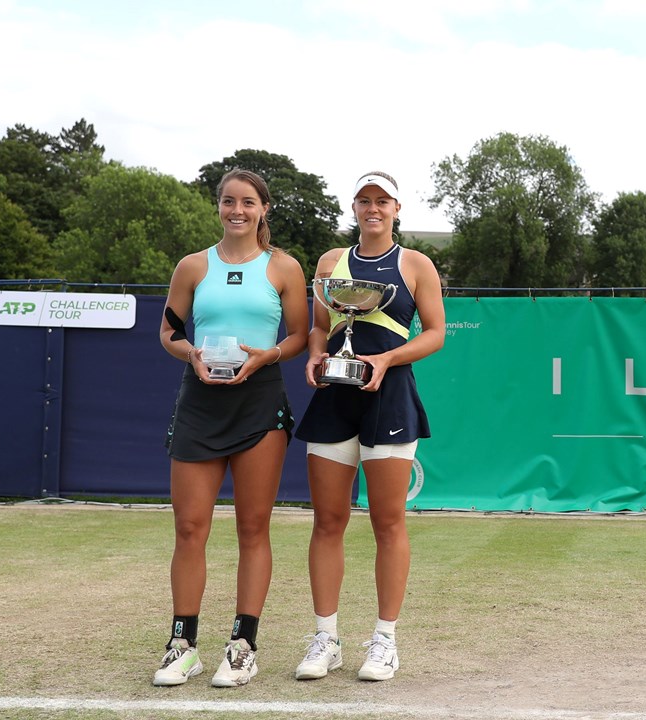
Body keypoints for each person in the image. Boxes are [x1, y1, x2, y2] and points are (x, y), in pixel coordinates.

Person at [153, 169, 309, 688]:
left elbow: (300, 335)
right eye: (227, 201)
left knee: (251, 528)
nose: (236, 210)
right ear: (217, 206)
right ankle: (182, 644)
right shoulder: (192, 266)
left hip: (260, 404)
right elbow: (170, 331)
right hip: (199, 400)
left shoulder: (284, 268)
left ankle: (242, 646)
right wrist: (189, 353)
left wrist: (269, 356)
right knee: (190, 527)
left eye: (247, 202)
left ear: (264, 208)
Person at [293, 171, 445, 682]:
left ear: (397, 208)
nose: (372, 208)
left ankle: (384, 641)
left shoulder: (416, 264)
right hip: (335, 396)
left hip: (391, 397)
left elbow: (437, 334)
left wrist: (387, 361)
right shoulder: (330, 263)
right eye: (364, 200)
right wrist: (316, 353)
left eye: (382, 201)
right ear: (354, 207)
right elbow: (319, 326)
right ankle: (326, 638)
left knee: (388, 522)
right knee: (328, 521)